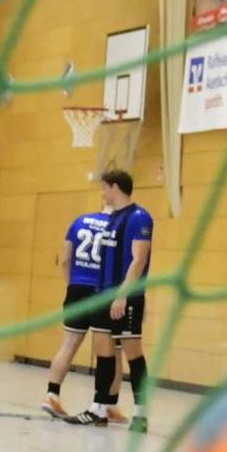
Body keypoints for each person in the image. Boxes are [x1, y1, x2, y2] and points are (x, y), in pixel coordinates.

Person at [68, 169, 153, 431]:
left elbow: (138, 260)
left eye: (104, 188)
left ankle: (141, 414)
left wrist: (123, 295)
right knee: (103, 352)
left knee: (133, 353)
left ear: (114, 187)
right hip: (102, 293)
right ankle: (99, 408)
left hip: (124, 296)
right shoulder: (112, 219)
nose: (102, 193)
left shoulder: (139, 217)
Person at [41, 198, 112, 420]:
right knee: (108, 350)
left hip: (77, 288)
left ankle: (52, 394)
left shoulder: (79, 222)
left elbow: (65, 259)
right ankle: (104, 404)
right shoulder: (117, 228)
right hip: (102, 291)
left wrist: (72, 284)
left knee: (68, 344)